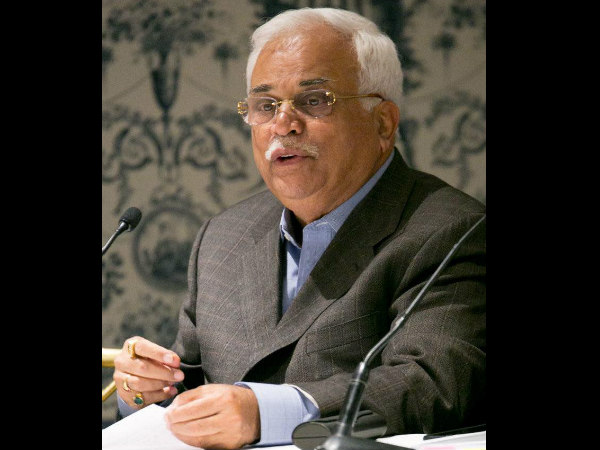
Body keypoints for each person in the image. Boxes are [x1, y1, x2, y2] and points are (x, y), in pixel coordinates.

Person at [111, 7, 486, 449]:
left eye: (314, 101)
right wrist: (144, 389)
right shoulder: (223, 237)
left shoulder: (453, 230)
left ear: (382, 122)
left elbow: (434, 384)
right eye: (265, 106)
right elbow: (188, 386)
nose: (283, 125)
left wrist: (267, 413)